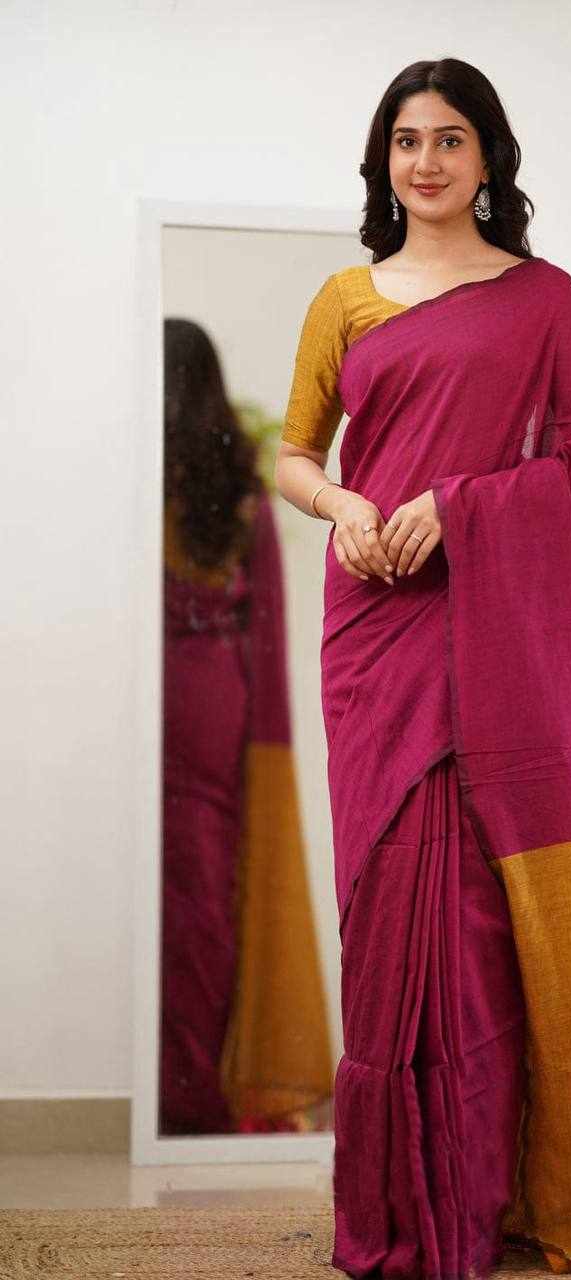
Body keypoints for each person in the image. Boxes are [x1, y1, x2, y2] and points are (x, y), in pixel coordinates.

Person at [274, 58, 571, 1280]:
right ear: (382, 160)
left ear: (489, 157)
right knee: (388, 909)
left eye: (450, 139)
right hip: (376, 629)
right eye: (407, 140)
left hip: (494, 635)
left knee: (482, 919)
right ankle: (395, 1211)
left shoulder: (542, 300)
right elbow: (293, 455)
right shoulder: (345, 299)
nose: (427, 162)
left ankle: (479, 1200)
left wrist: (458, 506)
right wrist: (345, 502)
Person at [161, 318, 334, 1137]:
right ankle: (195, 1092)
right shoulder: (237, 494)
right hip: (215, 705)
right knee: (205, 895)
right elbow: (266, 631)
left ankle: (186, 1095)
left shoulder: (142, 492)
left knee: (177, 898)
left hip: (164, 703)